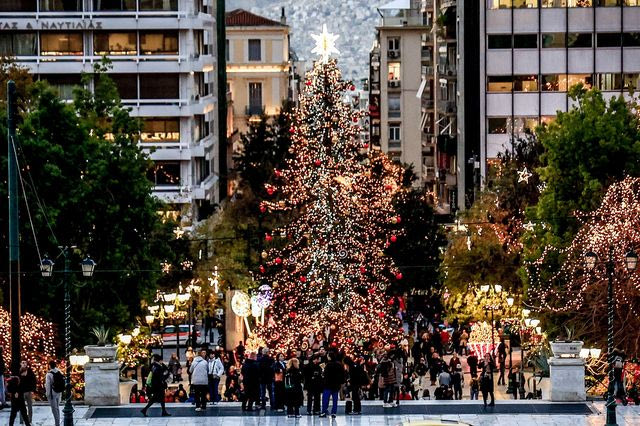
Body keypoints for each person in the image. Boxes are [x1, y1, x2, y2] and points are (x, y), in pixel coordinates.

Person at [319, 352, 344, 418]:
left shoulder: (328, 365)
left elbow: (325, 375)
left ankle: (324, 411)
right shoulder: (339, 364)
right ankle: (334, 412)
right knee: (335, 400)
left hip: (328, 385)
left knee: (325, 399)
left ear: (330, 357)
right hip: (336, 385)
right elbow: (342, 374)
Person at [45, 360, 64, 426]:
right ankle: (57, 422)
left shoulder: (49, 374)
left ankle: (57, 423)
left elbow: (48, 385)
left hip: (52, 393)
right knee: (57, 407)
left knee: (54, 408)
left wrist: (47, 394)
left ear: (49, 366)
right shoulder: (59, 371)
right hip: (59, 392)